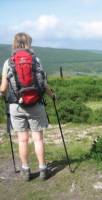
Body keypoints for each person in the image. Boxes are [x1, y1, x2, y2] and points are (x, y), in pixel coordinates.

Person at [0, 32, 55, 181]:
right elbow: (43, 83)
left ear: (14, 44)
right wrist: (52, 96)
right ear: (28, 43)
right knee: (38, 139)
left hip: (16, 106)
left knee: (22, 139)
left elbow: (3, 88)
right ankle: (43, 169)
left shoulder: (8, 62)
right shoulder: (36, 60)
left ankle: (25, 171)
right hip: (36, 104)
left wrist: (3, 95)